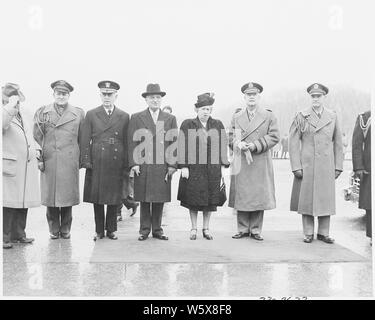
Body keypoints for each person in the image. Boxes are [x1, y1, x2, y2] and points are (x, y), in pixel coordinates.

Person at [289, 83, 343, 243]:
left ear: (324, 97)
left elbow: (338, 143)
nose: (316, 99)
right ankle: (308, 233)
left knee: (325, 199)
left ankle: (323, 233)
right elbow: (293, 143)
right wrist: (296, 166)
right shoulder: (301, 116)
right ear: (310, 98)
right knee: (307, 199)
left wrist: (338, 166)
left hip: (327, 165)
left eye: (318, 96)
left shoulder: (332, 116)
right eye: (313, 96)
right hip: (307, 165)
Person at [33, 80, 84, 239]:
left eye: (64, 94)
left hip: (69, 160)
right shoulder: (42, 112)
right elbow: (37, 137)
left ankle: (66, 228)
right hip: (50, 159)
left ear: (69, 95)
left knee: (67, 197)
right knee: (51, 196)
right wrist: (40, 159)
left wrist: (80, 159)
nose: (61, 96)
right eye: (58, 93)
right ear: (53, 94)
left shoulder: (79, 113)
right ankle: (53, 229)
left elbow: (82, 138)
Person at [229, 82, 280, 241]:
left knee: (258, 194)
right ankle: (243, 228)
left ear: (259, 97)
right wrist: (238, 143)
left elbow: (274, 136)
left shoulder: (269, 116)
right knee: (243, 194)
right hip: (242, 160)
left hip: (260, 160)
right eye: (248, 95)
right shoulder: (237, 116)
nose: (251, 98)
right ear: (244, 97)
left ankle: (256, 229)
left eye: (254, 95)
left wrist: (255, 145)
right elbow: (230, 135)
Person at [80, 81, 129, 241]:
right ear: (100, 95)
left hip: (116, 161)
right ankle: (99, 230)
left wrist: (127, 163)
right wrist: (86, 160)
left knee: (114, 197)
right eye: (104, 94)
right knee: (98, 198)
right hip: (98, 160)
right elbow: (85, 139)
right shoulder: (92, 114)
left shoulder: (123, 116)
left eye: (110, 94)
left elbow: (127, 141)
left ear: (116, 96)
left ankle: (112, 230)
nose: (107, 97)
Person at [128, 83, 178, 241]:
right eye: (152, 98)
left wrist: (172, 165)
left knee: (159, 198)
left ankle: (157, 229)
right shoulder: (136, 117)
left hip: (162, 164)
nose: (155, 100)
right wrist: (134, 163)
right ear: (146, 100)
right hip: (143, 163)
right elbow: (132, 142)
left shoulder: (170, 118)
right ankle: (144, 230)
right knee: (144, 198)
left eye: (158, 97)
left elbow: (174, 143)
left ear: (161, 99)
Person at [177, 93, 230, 240]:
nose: (206, 112)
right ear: (196, 110)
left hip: (212, 169)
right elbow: (181, 146)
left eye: (209, 109)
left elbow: (222, 145)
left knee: (210, 201)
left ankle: (206, 228)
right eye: (203, 109)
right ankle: (193, 228)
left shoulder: (217, 124)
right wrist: (183, 166)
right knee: (192, 200)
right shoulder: (188, 124)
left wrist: (223, 166)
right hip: (193, 169)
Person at [2, 83, 40, 249]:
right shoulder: (5, 112)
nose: (16, 102)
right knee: (9, 202)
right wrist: (10, 106)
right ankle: (5, 237)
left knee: (23, 201)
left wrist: (37, 148)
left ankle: (19, 234)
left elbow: (30, 135)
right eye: (11, 97)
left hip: (26, 165)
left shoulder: (24, 113)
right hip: (10, 164)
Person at [352, 110, 371, 241]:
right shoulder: (365, 118)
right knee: (371, 204)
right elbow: (357, 144)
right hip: (370, 169)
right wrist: (358, 167)